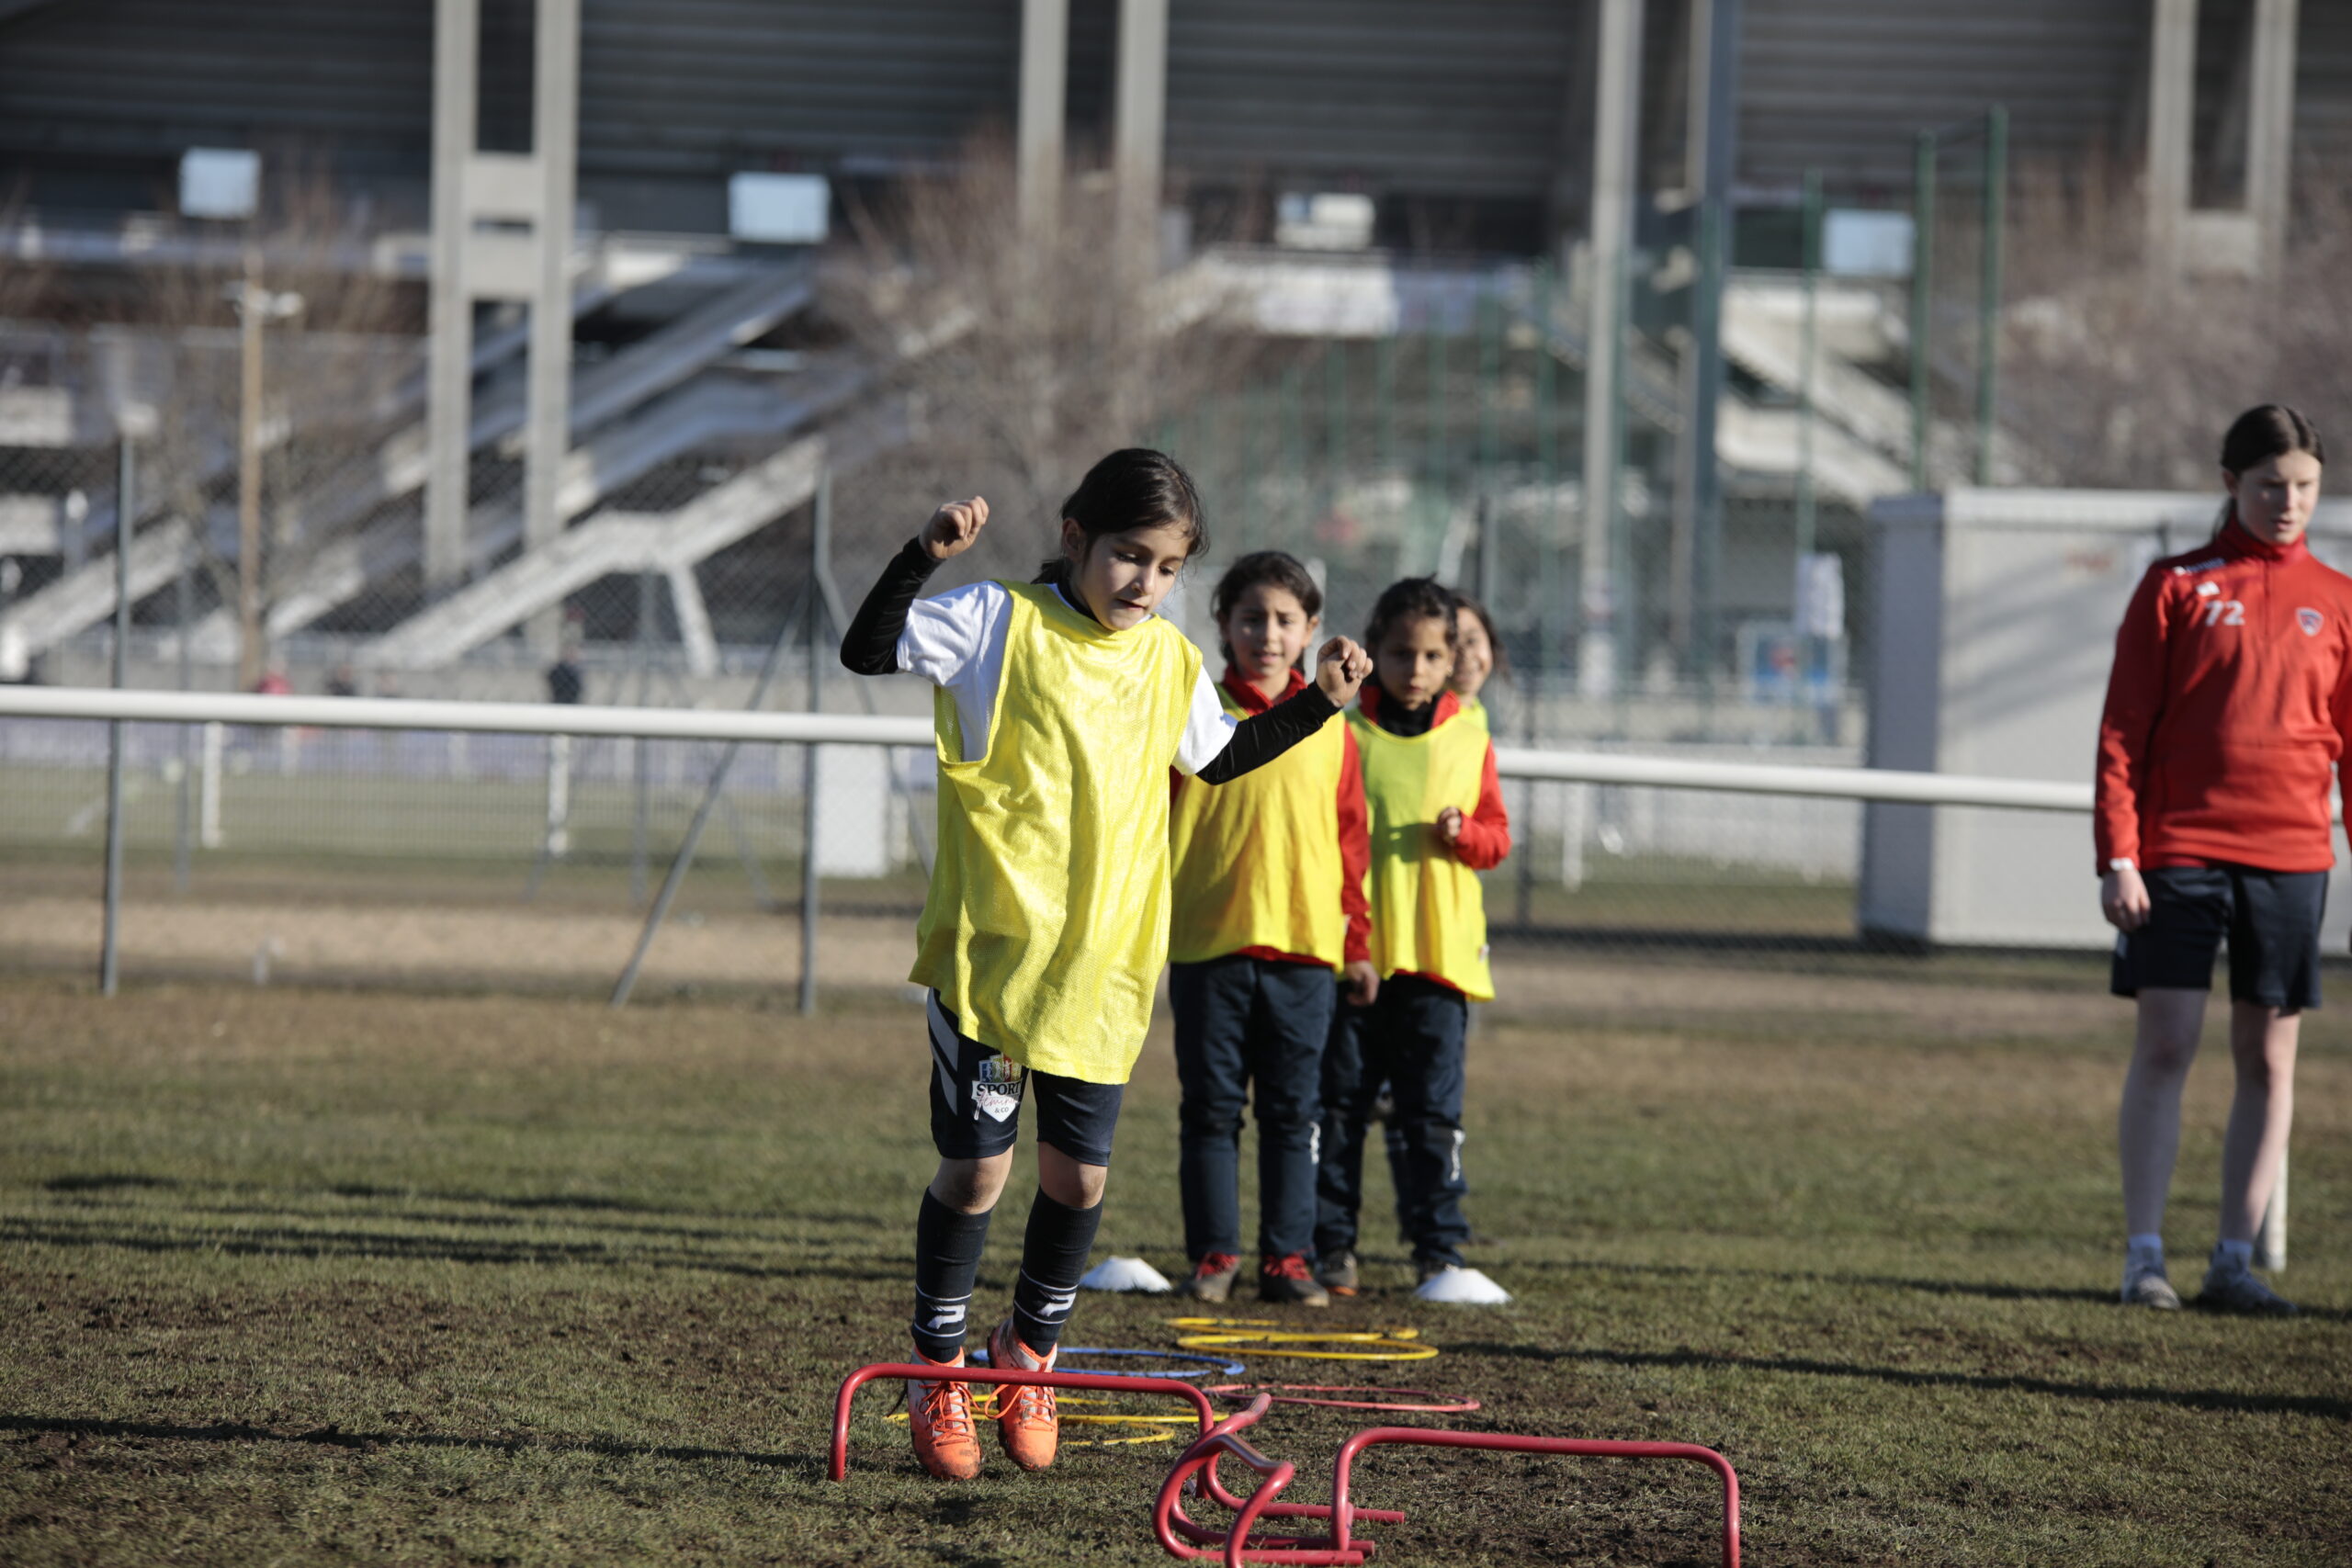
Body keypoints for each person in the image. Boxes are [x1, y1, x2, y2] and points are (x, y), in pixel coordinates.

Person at [839, 449, 1370, 1481]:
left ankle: (1027, 1353)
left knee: (1079, 1181)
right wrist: (921, 555)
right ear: (1077, 534)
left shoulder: (1168, 658)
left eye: (1168, 567)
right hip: (996, 964)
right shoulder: (998, 619)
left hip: (1104, 970)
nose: (1146, 583)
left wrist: (1317, 704)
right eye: (1130, 555)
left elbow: (1215, 757)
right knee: (979, 1169)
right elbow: (867, 650)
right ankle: (937, 1367)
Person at [2097, 404, 2346, 1316]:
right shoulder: (2174, 586)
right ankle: (2143, 1259)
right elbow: (2122, 729)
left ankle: (2233, 1262)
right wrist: (2118, 856)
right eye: (2268, 485)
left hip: (2289, 861)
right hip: (2178, 854)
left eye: (2305, 487)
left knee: (2268, 1060)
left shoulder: (2339, 598)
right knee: (2165, 1045)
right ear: (2230, 484)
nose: (2287, 503)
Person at [1166, 550, 1375, 1309]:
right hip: (1206, 946)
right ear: (1222, 624)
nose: (1267, 632)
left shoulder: (1333, 727)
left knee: (1295, 1112)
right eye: (1251, 616)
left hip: (1304, 952)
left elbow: (1352, 841)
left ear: (1312, 629)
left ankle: (1288, 1258)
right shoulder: (1193, 717)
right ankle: (1214, 1255)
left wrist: (1358, 944)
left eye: (1286, 619)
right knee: (1211, 1109)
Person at [1315, 577, 1511, 1305]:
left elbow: (1498, 838)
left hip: (1439, 956)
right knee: (1340, 1108)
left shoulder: (1469, 731)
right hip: (1355, 956)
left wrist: (1468, 836)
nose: (1418, 669)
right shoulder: (1344, 729)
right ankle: (1332, 1246)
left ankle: (1439, 1249)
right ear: (1375, 650)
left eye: (1434, 654)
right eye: (1402, 652)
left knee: (1433, 1112)